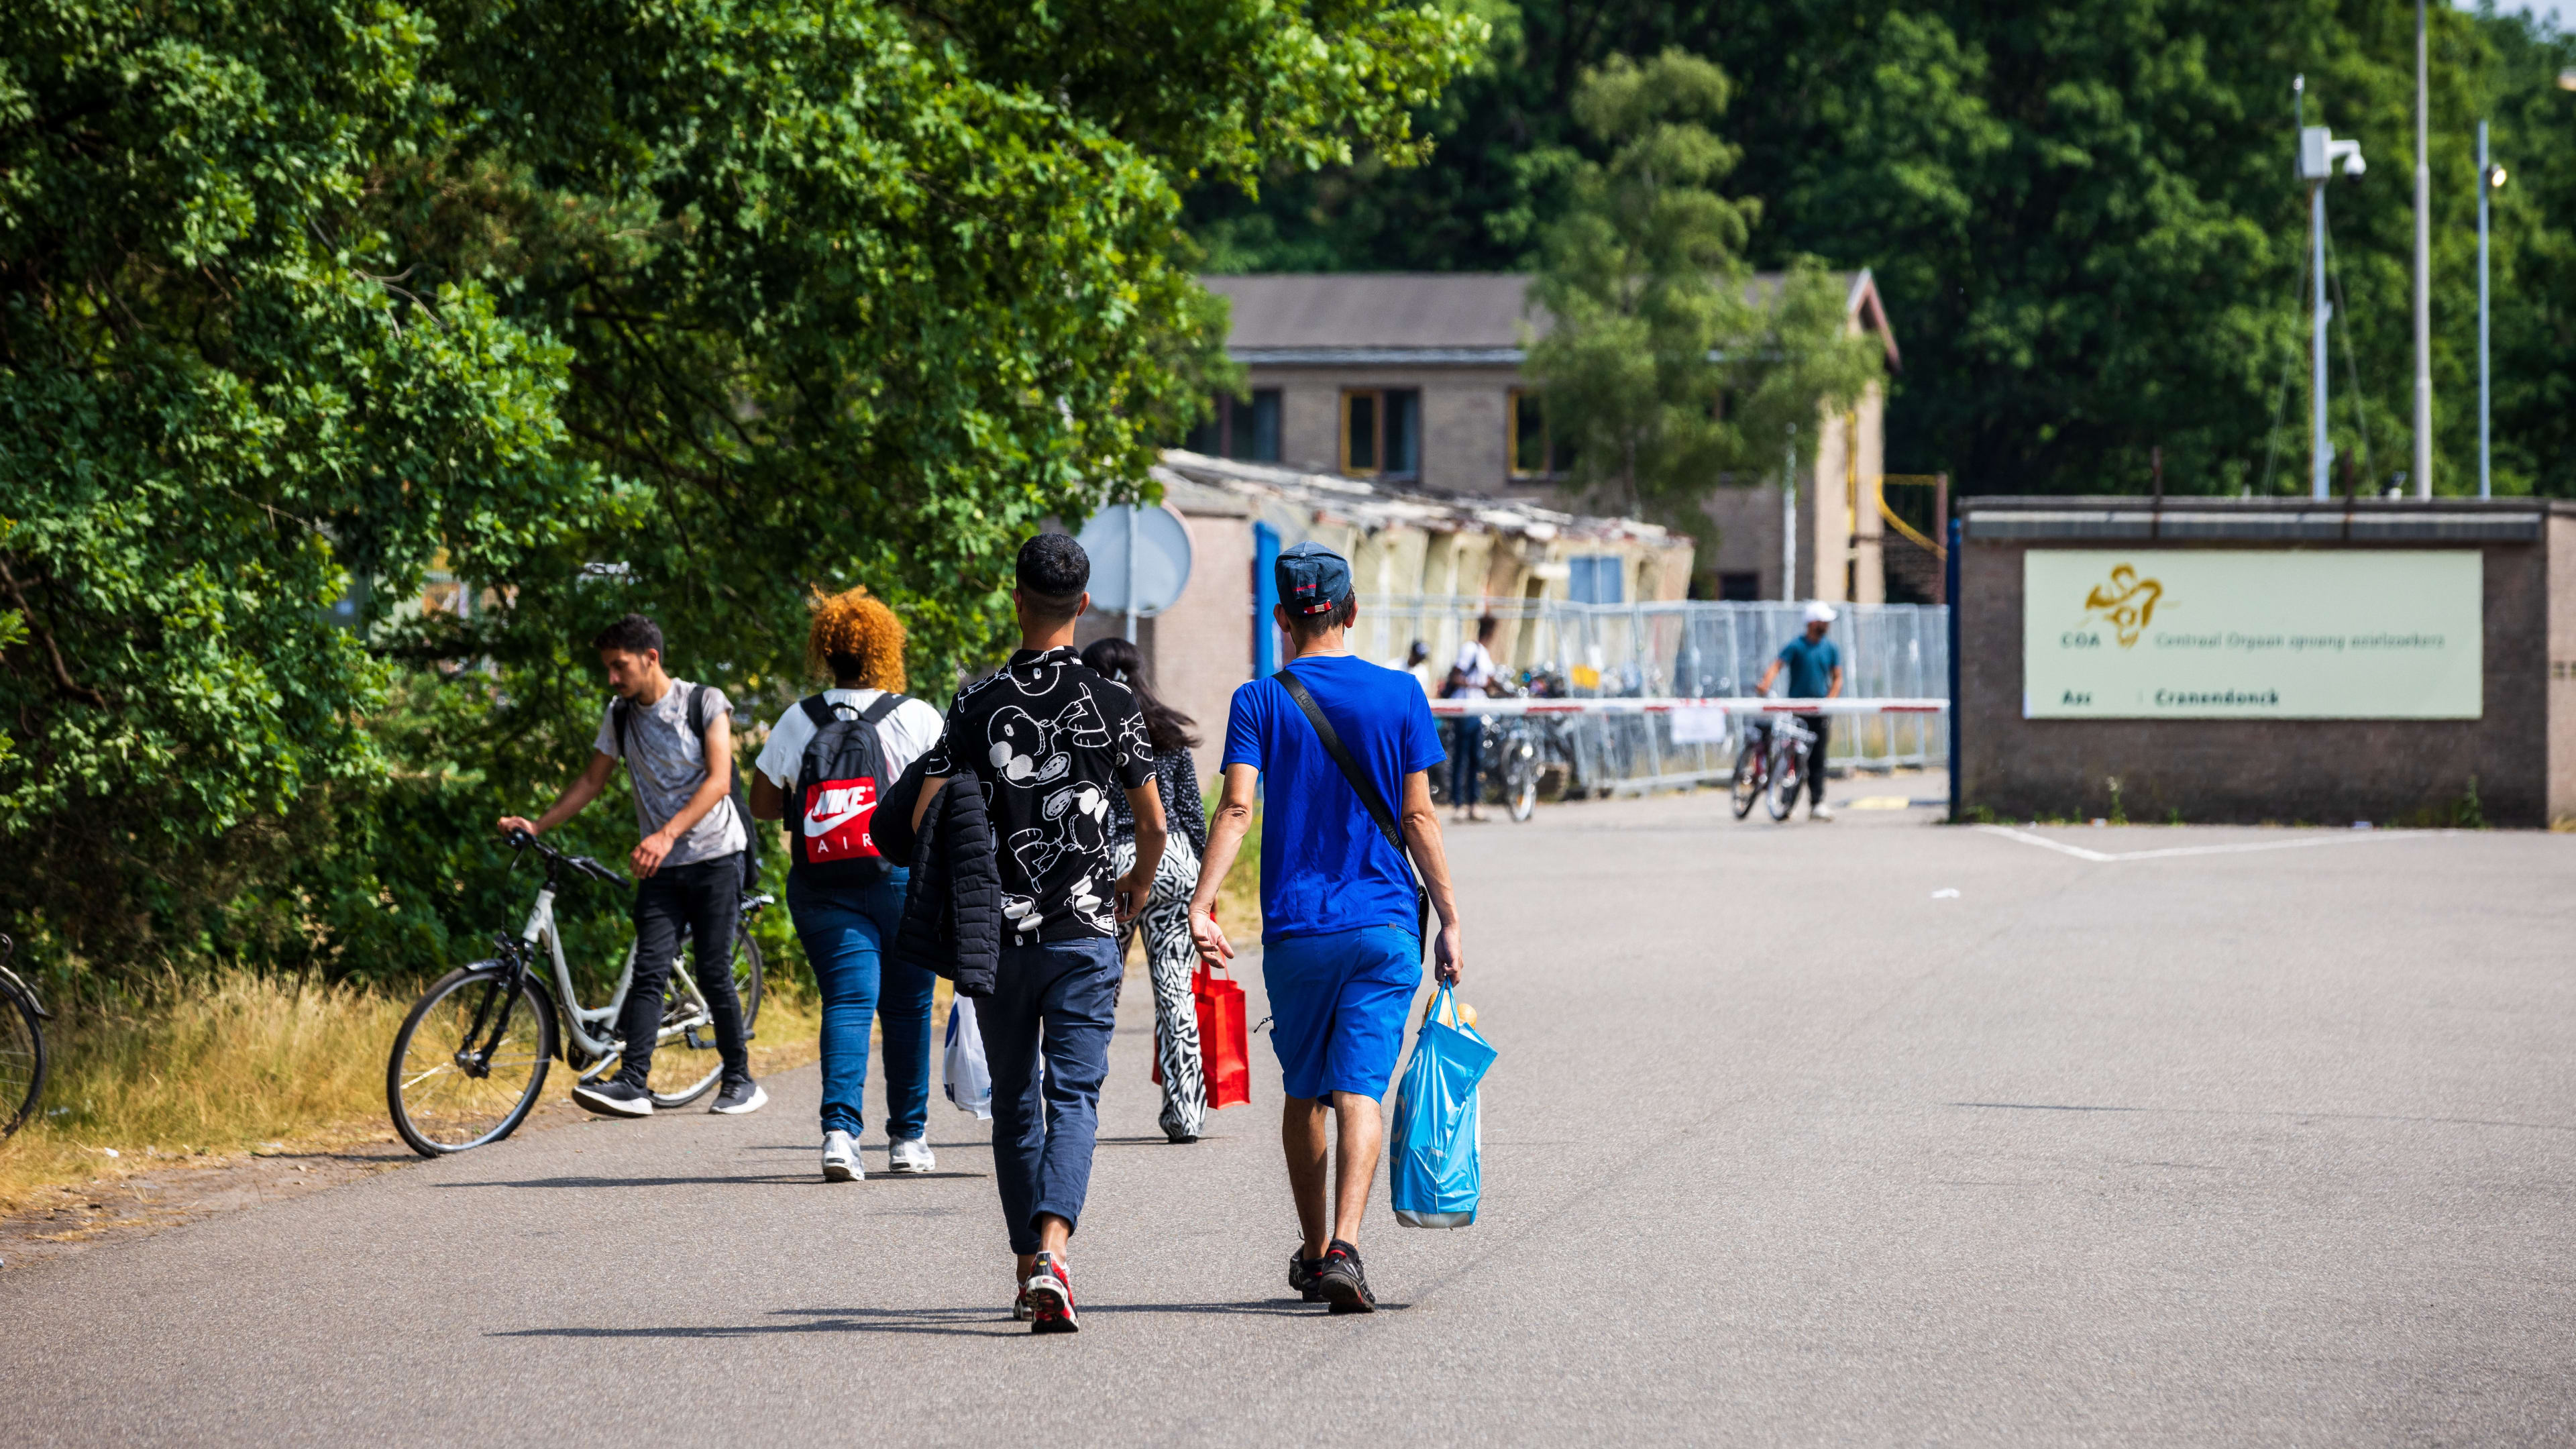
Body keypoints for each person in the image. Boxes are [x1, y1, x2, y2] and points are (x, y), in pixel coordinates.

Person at [1189, 541, 1464, 1316]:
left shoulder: (1259, 700)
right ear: (1349, 612)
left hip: (1297, 930)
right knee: (1361, 1090)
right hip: (1382, 924)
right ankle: (1346, 1244)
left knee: (1305, 1090)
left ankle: (1314, 1255)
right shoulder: (1401, 694)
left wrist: (1202, 904)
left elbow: (1238, 809)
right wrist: (1449, 919)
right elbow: (1417, 815)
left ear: (1282, 617)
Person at [910, 535, 1164, 1334]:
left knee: (1015, 1105)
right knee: (1075, 1095)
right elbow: (1152, 825)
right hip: (1088, 932)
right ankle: (1055, 1250)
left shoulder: (976, 705)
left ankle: (1029, 1272)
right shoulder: (1115, 705)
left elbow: (923, 816)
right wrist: (1137, 883)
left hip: (998, 938)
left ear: (1014, 597)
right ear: (1084, 605)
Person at [496, 613, 765, 1118]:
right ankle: (634, 1083)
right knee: (649, 968)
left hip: (715, 857)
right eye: (608, 669)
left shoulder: (704, 702)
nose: (612, 679)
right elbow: (591, 781)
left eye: (619, 667)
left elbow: (720, 782)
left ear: (651, 659)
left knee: (711, 970)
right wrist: (537, 825)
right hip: (660, 864)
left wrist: (664, 835)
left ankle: (741, 1079)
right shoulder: (619, 713)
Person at [749, 588, 947, 1182]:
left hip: (822, 885)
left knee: (848, 1001)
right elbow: (942, 803)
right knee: (909, 1008)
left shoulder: (798, 718)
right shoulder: (915, 716)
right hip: (901, 879)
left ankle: (840, 1135)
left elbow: (761, 804)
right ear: (887, 648)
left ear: (825, 650)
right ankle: (908, 1141)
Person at [1078, 637, 1212, 1144]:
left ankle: (1077, 1109)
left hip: (1112, 862)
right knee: (1175, 985)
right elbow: (1194, 819)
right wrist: (1203, 892)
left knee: (1095, 992)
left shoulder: (1085, 730)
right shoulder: (1168, 733)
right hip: (1174, 858)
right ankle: (1186, 1114)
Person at [1754, 601, 1846, 822]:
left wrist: (1830, 700)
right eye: (1823, 621)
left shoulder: (1831, 648)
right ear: (1813, 622)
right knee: (1791, 757)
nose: (1827, 625)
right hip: (1797, 710)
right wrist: (1765, 684)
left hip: (1820, 711)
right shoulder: (1797, 646)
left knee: (1817, 758)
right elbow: (1777, 665)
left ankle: (1817, 803)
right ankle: (1788, 801)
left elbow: (1837, 677)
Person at [1442, 616, 1501, 821]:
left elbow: (1492, 680)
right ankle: (1458, 804)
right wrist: (1478, 686)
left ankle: (1474, 804)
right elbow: (1456, 676)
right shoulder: (1470, 650)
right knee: (1462, 758)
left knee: (1476, 759)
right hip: (1464, 710)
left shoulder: (1484, 654)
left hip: (1477, 712)